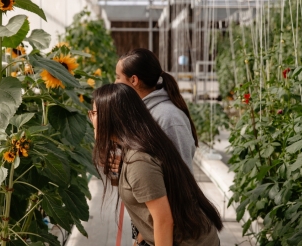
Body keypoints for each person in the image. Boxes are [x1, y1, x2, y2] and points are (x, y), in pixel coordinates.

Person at [89, 83, 222, 246]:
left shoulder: (139, 161)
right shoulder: (138, 146)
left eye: (93, 113)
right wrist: (140, 240)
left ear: (110, 117)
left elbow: (164, 221)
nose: (91, 118)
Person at [114, 48, 197, 170]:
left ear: (134, 80)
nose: (115, 83)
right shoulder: (138, 113)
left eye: (118, 77)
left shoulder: (169, 118)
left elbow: (182, 173)